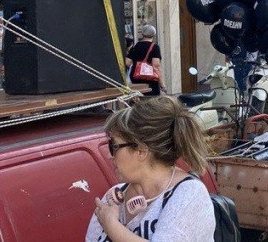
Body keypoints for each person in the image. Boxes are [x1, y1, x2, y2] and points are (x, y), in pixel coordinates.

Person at [86, 97, 215, 241]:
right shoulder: (115, 196)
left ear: (141, 151)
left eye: (114, 146)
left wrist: (111, 225)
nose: (109, 155)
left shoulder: (189, 194)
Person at [127, 25, 164, 96]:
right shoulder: (155, 47)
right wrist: (162, 84)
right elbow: (156, 66)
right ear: (153, 34)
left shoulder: (136, 46)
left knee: (138, 100)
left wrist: (136, 66)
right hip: (150, 80)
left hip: (136, 78)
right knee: (152, 102)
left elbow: (127, 62)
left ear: (142, 34)